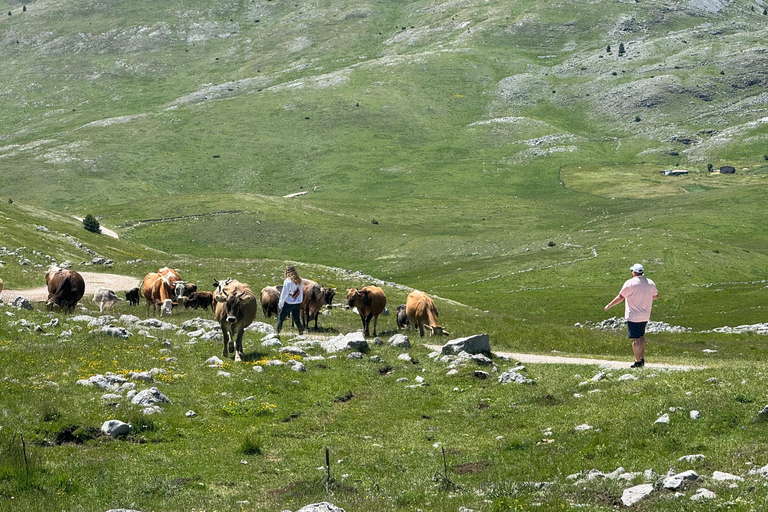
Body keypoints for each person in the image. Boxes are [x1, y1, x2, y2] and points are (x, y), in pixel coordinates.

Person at [604, 263, 658, 368]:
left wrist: (609, 305)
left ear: (633, 272)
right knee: (642, 336)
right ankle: (642, 358)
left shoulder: (629, 283)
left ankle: (637, 361)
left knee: (635, 339)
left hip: (633, 315)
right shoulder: (650, 283)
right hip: (645, 314)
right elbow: (655, 296)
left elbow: (621, 297)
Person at [276, 265, 304, 335]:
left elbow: (284, 293)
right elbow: (300, 292)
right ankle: (301, 333)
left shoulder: (287, 281)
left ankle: (277, 332)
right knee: (297, 319)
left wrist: (280, 303)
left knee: (281, 318)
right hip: (297, 303)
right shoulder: (299, 280)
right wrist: (299, 301)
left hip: (288, 303)